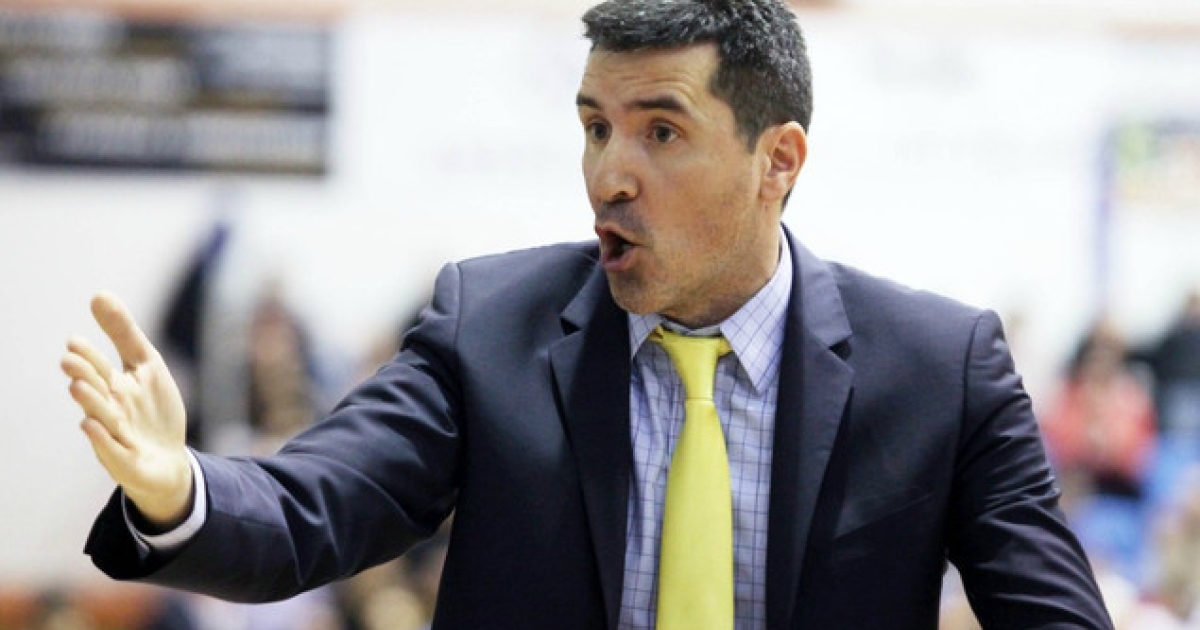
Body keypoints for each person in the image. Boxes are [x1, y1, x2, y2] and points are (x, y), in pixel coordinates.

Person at [60, 1, 1114, 628]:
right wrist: (177, 487)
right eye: (596, 127)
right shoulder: (489, 328)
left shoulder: (940, 370)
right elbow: (315, 506)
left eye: (662, 132)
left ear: (778, 161)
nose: (610, 174)